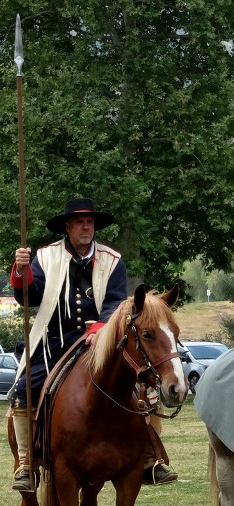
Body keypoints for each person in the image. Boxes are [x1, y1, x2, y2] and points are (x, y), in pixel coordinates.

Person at [8, 199, 176, 491]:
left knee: (143, 386)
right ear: (68, 226)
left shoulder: (113, 260)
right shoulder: (45, 257)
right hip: (54, 344)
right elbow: (29, 297)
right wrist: (22, 272)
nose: (87, 227)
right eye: (80, 222)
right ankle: (26, 463)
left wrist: (100, 330)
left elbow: (115, 302)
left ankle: (150, 460)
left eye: (90, 222)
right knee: (25, 388)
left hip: (101, 340)